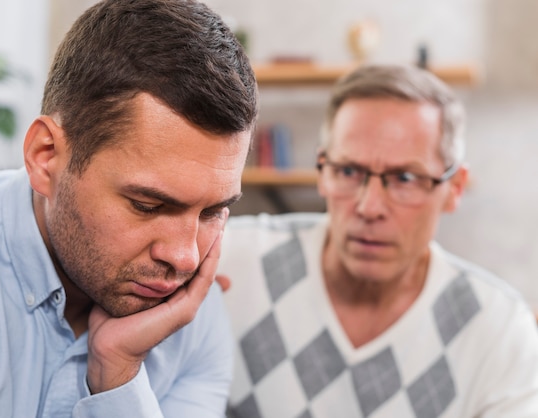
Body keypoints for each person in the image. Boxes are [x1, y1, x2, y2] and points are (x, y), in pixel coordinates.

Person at [0, 0, 257, 416]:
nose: (184, 258)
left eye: (212, 212)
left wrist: (120, 373)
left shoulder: (192, 316)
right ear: (45, 156)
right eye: (147, 205)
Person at [220, 64, 538, 418]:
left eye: (404, 177)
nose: (369, 207)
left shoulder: (498, 331)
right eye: (349, 171)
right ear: (322, 173)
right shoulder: (230, 262)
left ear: (455, 189)